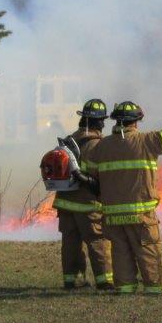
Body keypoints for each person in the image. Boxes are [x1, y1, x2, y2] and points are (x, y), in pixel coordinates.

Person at [85, 101, 162, 294]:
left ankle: (125, 288)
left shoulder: (101, 147)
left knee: (120, 251)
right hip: (140, 213)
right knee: (148, 249)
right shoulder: (146, 141)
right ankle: (155, 288)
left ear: (116, 121)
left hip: (112, 215)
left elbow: (91, 174)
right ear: (135, 122)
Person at [53, 98, 113, 290]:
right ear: (96, 122)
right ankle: (104, 281)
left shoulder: (69, 141)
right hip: (88, 204)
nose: (104, 124)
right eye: (102, 120)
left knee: (70, 242)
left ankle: (72, 280)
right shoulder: (99, 145)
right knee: (98, 240)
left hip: (65, 202)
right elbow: (103, 175)